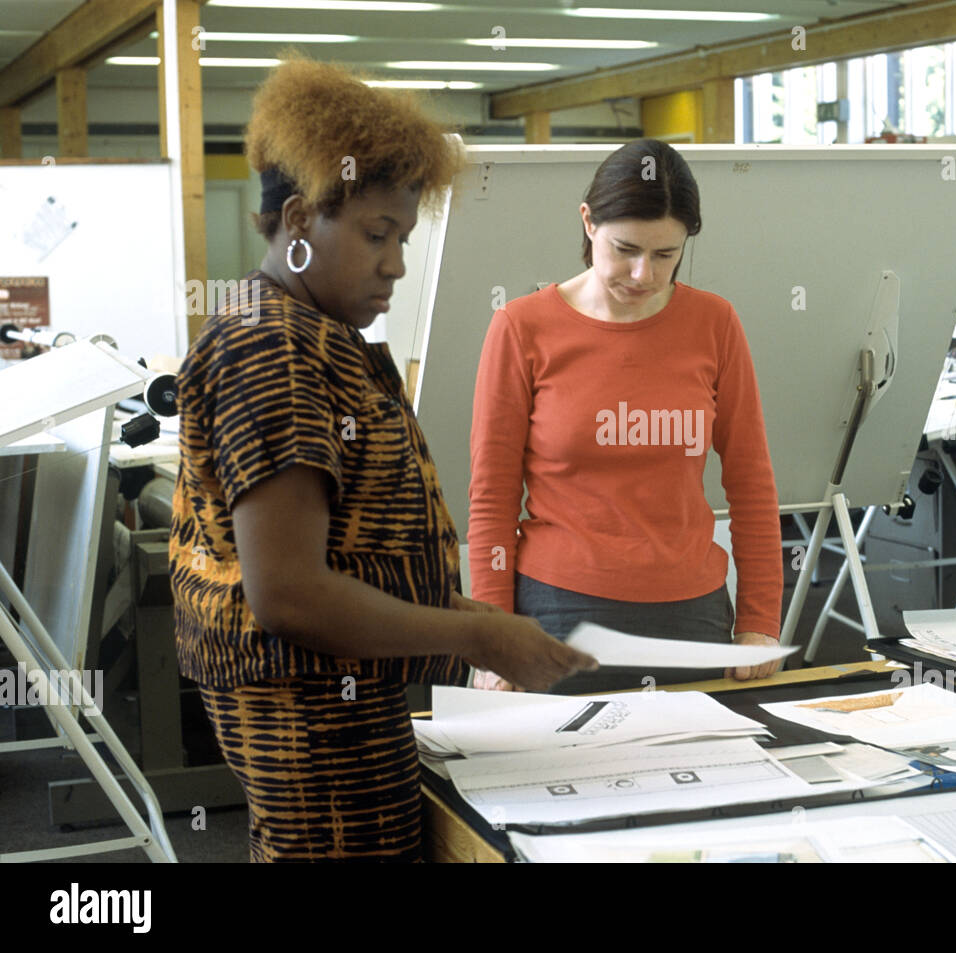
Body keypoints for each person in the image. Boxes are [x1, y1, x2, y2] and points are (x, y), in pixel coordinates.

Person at [168, 58, 594, 862]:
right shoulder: (273, 351)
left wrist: (479, 622)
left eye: (402, 235)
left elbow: (352, 554)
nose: (396, 262)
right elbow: (290, 594)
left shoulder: (307, 336)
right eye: (376, 234)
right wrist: (476, 642)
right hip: (313, 721)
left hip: (342, 701)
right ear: (298, 222)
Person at [468, 138, 784, 694]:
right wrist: (492, 640)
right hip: (557, 612)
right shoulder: (522, 328)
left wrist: (760, 621)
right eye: (626, 249)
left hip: (692, 615)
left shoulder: (715, 323)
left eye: (666, 255)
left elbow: (752, 480)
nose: (643, 274)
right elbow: (492, 495)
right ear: (588, 224)